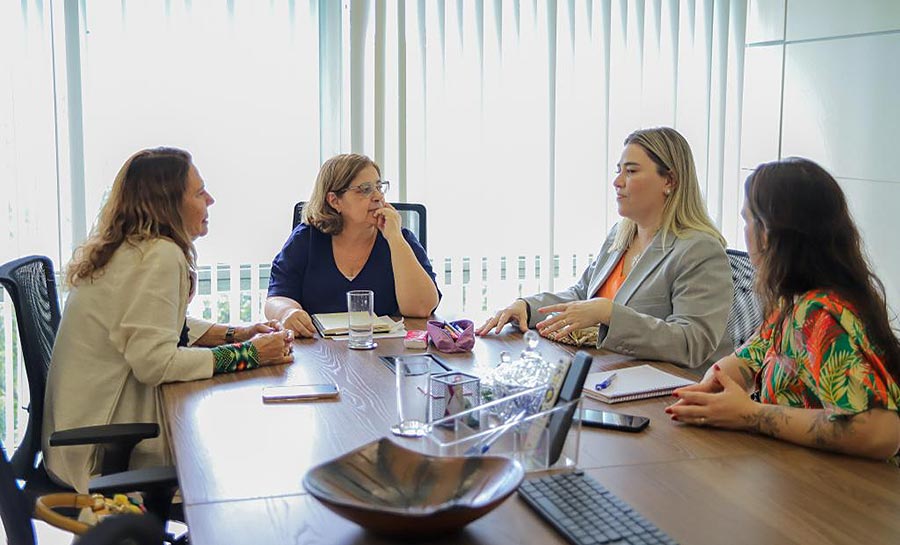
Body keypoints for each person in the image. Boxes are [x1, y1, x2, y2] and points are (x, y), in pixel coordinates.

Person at [43, 148, 294, 492]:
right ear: (169, 203)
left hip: (81, 432)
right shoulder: (159, 255)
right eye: (199, 192)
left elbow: (164, 324)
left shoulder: (131, 248)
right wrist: (249, 354)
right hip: (100, 455)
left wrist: (238, 333)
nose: (211, 199)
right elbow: (155, 362)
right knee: (246, 466)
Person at [667, 158, 900, 462]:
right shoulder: (792, 303)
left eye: (747, 221)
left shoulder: (819, 313)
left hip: (846, 495)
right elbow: (741, 363)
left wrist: (752, 414)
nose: (746, 234)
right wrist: (717, 385)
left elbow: (881, 432)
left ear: (768, 233)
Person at [477, 127, 732, 371]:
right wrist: (527, 307)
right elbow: (582, 294)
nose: (617, 181)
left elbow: (692, 343)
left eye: (631, 171)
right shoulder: (620, 236)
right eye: (618, 170)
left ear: (670, 180)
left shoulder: (699, 249)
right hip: (615, 374)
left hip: (672, 394)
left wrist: (611, 315)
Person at [265, 153, 440, 337]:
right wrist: (287, 312)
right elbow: (277, 297)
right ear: (334, 200)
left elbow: (421, 309)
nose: (378, 196)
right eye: (365, 189)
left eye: (379, 187)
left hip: (386, 352)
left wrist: (395, 239)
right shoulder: (306, 239)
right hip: (320, 353)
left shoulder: (400, 238)